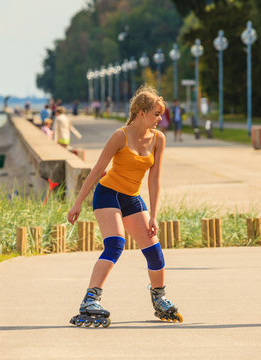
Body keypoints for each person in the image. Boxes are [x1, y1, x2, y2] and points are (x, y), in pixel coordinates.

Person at [67, 85, 182, 327]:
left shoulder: (158, 139)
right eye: (156, 114)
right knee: (116, 243)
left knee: (154, 250)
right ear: (141, 112)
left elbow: (154, 179)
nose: (160, 119)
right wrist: (77, 203)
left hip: (131, 197)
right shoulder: (120, 136)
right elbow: (98, 170)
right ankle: (90, 299)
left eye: (161, 114)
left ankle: (159, 299)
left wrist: (153, 215)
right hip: (107, 194)